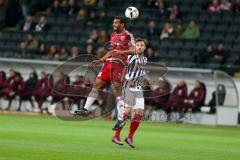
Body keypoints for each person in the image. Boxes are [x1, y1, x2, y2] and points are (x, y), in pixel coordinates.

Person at [74, 16, 136, 131]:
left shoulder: (128, 36)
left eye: (116, 23)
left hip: (119, 64)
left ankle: (121, 118)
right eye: (113, 23)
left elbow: (134, 50)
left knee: (116, 90)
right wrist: (101, 60)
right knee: (97, 84)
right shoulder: (112, 35)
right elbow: (111, 52)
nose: (114, 24)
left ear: (122, 24)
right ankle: (85, 109)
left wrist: (122, 51)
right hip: (108, 63)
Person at [112, 38, 149, 148]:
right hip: (128, 87)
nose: (140, 47)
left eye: (142, 45)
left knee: (140, 113)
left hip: (138, 89)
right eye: (138, 45)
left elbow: (141, 72)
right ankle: (116, 135)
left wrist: (148, 80)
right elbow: (122, 69)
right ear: (135, 47)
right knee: (127, 111)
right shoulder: (130, 57)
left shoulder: (145, 60)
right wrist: (127, 80)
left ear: (145, 47)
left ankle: (130, 137)